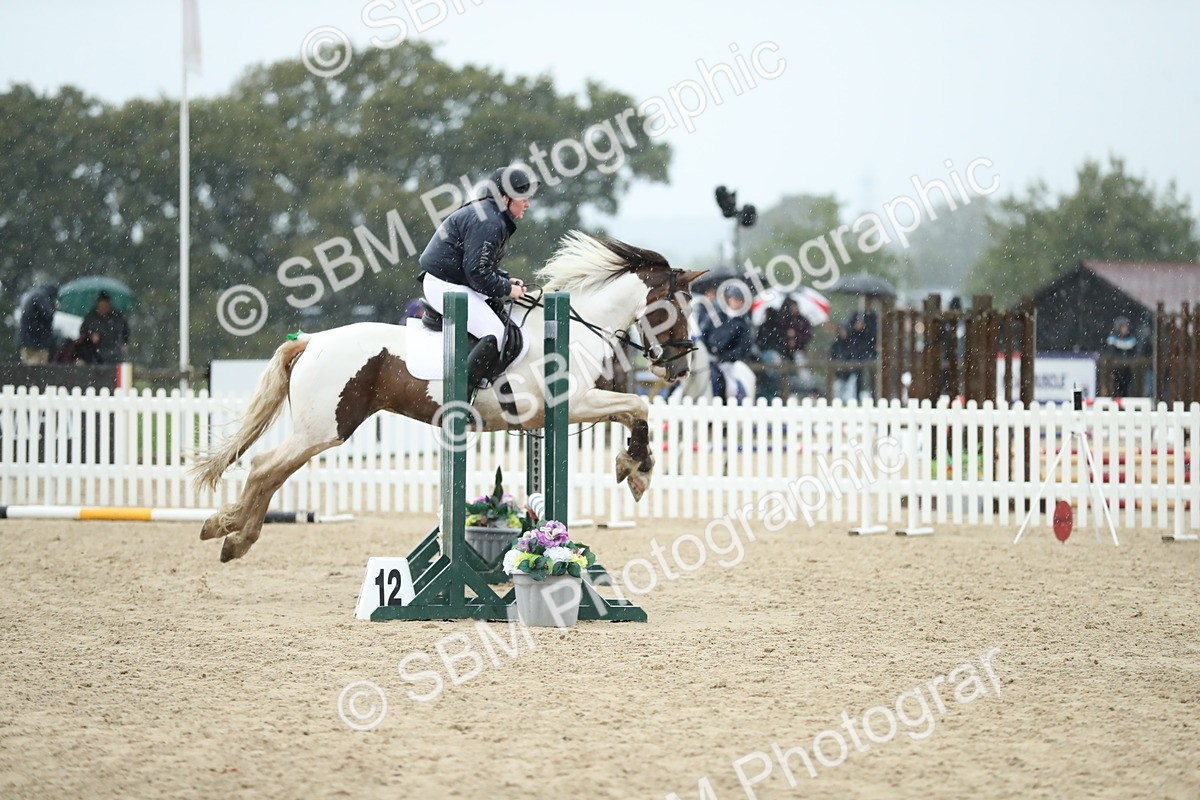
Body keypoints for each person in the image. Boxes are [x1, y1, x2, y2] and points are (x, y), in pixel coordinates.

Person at [418, 165, 537, 389]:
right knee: (496, 334)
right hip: (444, 284)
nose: (527, 204)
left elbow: (476, 265)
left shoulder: (490, 214)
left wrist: (505, 279)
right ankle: (460, 399)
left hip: (452, 279)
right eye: (523, 198)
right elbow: (477, 272)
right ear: (504, 198)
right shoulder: (490, 221)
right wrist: (507, 290)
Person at [702, 286, 757, 400]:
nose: (736, 302)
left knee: (732, 388)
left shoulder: (742, 322)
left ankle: (737, 403)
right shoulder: (716, 315)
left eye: (739, 300)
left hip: (727, 362)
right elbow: (704, 334)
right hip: (708, 358)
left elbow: (744, 347)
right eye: (733, 299)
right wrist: (707, 350)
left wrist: (726, 356)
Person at [755, 297, 812, 398]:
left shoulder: (799, 321)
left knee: (798, 372)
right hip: (781, 354)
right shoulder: (781, 322)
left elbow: (806, 336)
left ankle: (807, 391)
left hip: (792, 353)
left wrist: (795, 338)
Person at [79, 291, 131, 364]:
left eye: (106, 305)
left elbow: (125, 331)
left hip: (115, 351)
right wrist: (90, 336)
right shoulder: (90, 317)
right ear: (98, 304)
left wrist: (125, 342)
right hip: (95, 353)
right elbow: (82, 333)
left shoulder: (117, 316)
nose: (104, 307)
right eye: (102, 305)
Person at [17, 283, 58, 364]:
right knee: (37, 367)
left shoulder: (33, 294)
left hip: (27, 338)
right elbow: (48, 314)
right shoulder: (41, 297)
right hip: (38, 341)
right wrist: (53, 306)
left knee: (27, 365)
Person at [1103, 316, 1139, 397]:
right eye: (1123, 327)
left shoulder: (1131, 340)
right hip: (1115, 369)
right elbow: (1111, 354)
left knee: (1127, 387)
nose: (1125, 329)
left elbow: (1134, 354)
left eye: (1126, 327)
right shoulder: (1112, 339)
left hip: (1127, 370)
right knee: (1115, 386)